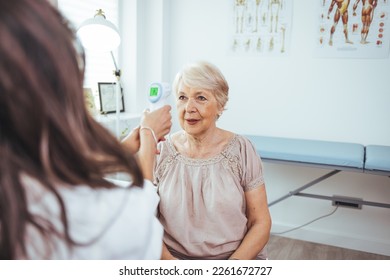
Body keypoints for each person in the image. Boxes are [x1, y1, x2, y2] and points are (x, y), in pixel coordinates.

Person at [0, 0, 171, 259]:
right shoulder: (103, 220)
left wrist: (122, 148)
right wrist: (148, 134)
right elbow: (140, 214)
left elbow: (51, 168)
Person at [154, 61, 272, 260]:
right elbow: (145, 221)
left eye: (200, 98)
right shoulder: (160, 150)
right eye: (182, 97)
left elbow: (260, 222)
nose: (189, 108)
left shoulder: (241, 150)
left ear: (220, 105)